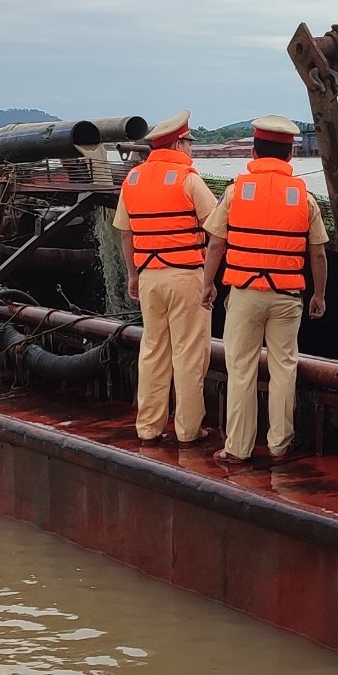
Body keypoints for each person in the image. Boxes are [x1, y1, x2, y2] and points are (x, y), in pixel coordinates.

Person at [202, 115, 326, 464]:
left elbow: (215, 245)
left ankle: (238, 449)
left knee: (240, 368)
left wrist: (207, 283)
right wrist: (319, 294)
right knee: (284, 367)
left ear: (254, 152)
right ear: (290, 155)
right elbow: (317, 251)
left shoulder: (235, 192)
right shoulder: (305, 197)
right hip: (287, 297)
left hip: (244, 293)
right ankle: (280, 444)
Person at [114, 110, 217, 445]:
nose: (191, 149)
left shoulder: (132, 180)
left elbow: (125, 235)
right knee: (189, 353)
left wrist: (132, 276)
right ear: (177, 142)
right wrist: (212, 277)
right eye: (188, 142)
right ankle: (188, 431)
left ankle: (148, 427)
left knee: (153, 351)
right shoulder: (188, 179)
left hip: (149, 277)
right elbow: (216, 228)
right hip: (186, 275)